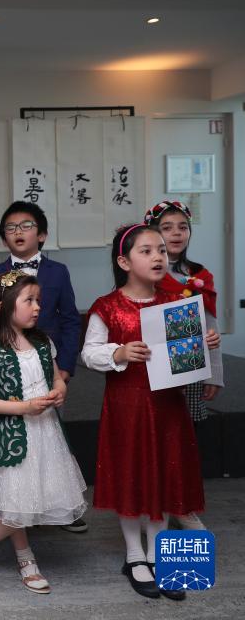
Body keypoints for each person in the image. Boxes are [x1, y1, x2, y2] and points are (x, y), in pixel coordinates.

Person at [81, 223, 220, 601]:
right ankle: (134, 555)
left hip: (168, 407)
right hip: (127, 407)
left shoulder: (176, 303)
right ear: (124, 262)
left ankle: (161, 556)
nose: (158, 256)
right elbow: (89, 354)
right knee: (131, 476)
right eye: (146, 251)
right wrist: (119, 352)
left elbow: (186, 360)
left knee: (164, 474)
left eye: (161, 250)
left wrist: (203, 342)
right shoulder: (107, 306)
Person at [0, 270, 88, 594]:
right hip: (9, 436)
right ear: (3, 304)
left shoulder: (43, 342)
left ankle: (22, 555)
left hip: (45, 434)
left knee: (23, 499)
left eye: (38, 300)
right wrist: (24, 407)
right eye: (28, 300)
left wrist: (59, 391)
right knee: (19, 502)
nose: (37, 307)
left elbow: (55, 378)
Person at [0, 201, 86, 533]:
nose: (18, 232)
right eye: (11, 228)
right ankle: (11, 505)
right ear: (3, 238)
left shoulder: (58, 271)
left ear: (41, 234)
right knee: (10, 437)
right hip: (9, 368)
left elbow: (70, 321)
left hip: (48, 365)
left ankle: (59, 507)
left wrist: (64, 368)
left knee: (52, 440)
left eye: (26, 225)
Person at [144, 201, 223, 527]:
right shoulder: (143, 272)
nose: (176, 234)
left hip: (190, 370)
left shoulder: (199, 275)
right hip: (152, 371)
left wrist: (214, 373)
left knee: (185, 443)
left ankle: (181, 504)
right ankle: (156, 507)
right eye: (167, 227)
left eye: (182, 227)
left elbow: (210, 326)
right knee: (155, 441)